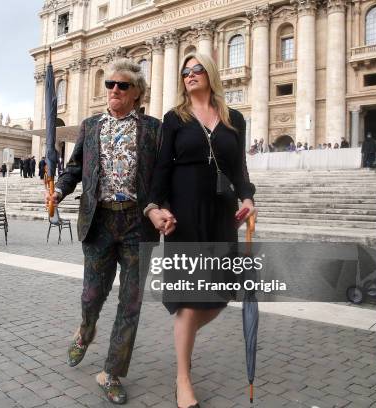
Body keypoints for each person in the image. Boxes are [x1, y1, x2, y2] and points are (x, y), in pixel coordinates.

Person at [46, 59, 162, 405]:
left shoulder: (154, 130)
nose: (114, 89)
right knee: (91, 295)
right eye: (110, 84)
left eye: (122, 85)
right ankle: (86, 329)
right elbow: (75, 167)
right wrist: (60, 190)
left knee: (131, 303)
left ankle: (111, 372)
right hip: (99, 221)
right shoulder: (90, 125)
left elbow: (162, 176)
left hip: (136, 224)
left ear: (137, 93)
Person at [145, 52, 256, 408]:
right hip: (185, 214)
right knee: (190, 300)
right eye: (185, 72)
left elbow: (239, 169)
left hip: (222, 214)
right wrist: (156, 207)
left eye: (197, 70)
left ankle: (184, 333)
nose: (190, 75)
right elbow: (161, 169)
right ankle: (183, 377)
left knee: (220, 295)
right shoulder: (174, 118)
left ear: (209, 74)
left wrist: (248, 198)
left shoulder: (234, 118)